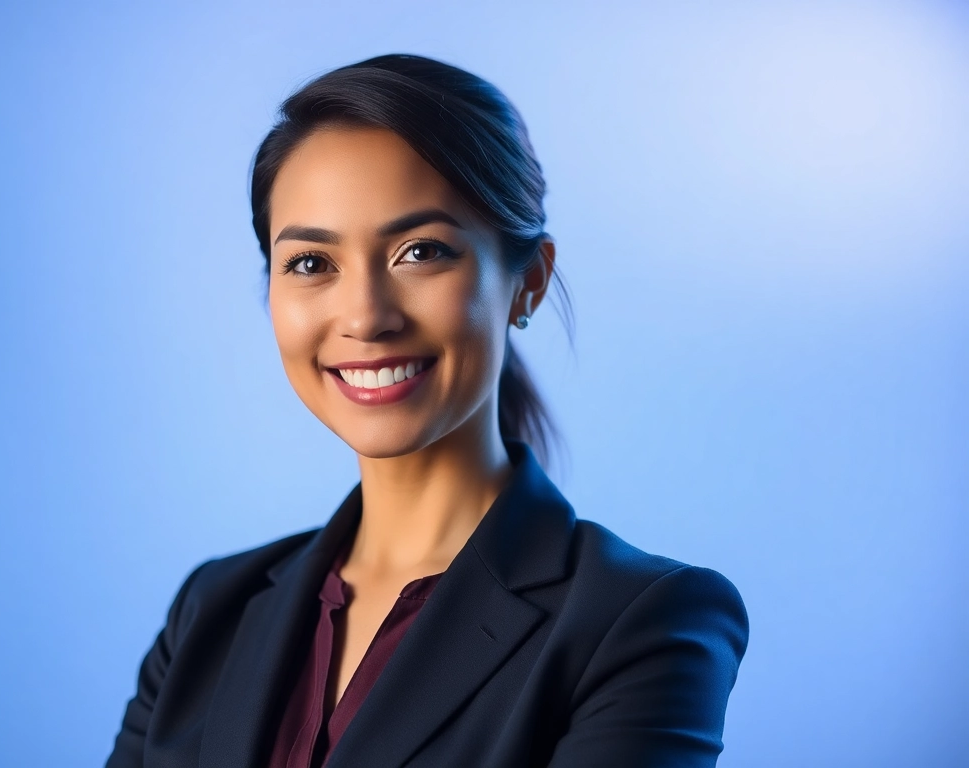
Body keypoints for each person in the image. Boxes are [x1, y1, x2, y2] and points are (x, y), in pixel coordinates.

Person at [105, 53, 748, 768]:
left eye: (421, 251)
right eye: (312, 263)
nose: (366, 317)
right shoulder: (210, 611)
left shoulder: (643, 623)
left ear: (527, 283)